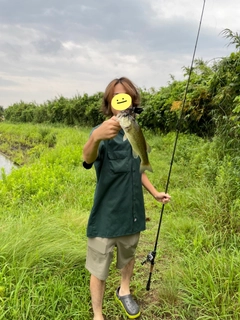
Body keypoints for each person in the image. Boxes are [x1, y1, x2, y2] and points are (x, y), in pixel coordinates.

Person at [83, 77, 171, 320]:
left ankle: (124, 290)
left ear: (133, 102)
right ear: (109, 103)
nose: (121, 102)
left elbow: (138, 167)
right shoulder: (100, 133)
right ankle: (98, 315)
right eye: (116, 97)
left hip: (132, 211)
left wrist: (154, 192)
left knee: (128, 257)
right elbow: (87, 159)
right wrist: (96, 137)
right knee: (99, 269)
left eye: (126, 97)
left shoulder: (135, 130)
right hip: (105, 215)